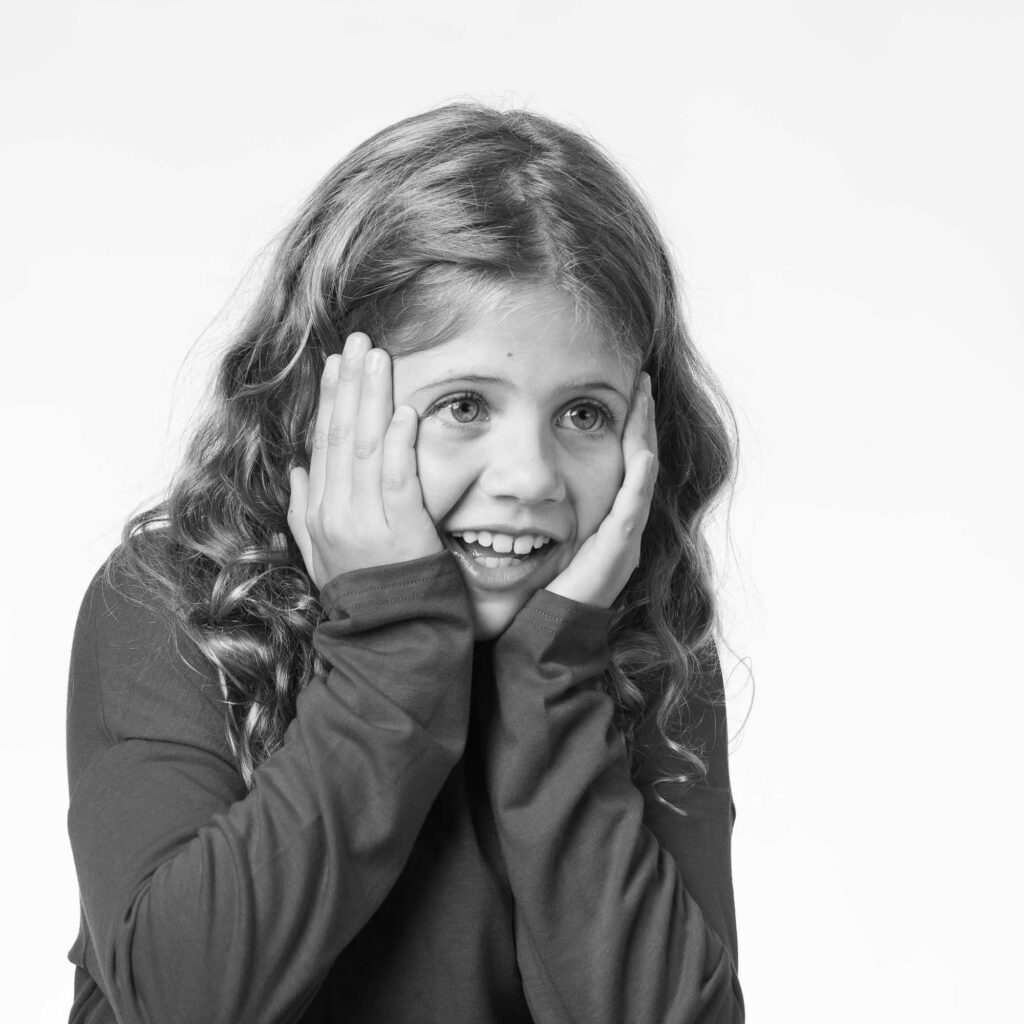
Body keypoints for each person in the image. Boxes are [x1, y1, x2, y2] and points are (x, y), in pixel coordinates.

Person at [65, 102, 744, 1023]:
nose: (531, 477)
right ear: (326, 404)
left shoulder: (640, 643)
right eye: (464, 405)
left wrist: (552, 689)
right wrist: (393, 641)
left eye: (584, 413)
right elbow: (183, 1000)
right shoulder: (176, 606)